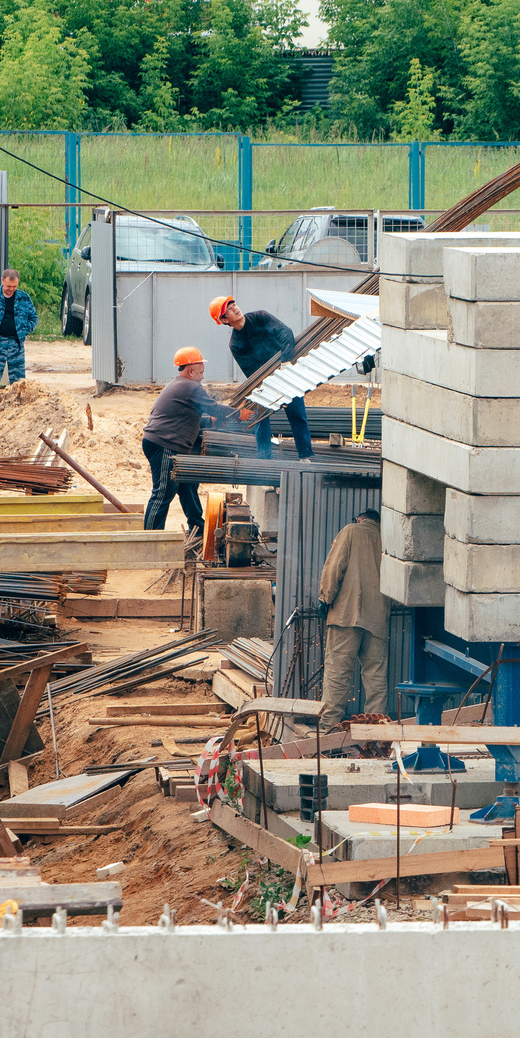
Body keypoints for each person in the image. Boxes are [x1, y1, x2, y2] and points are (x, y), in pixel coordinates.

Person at [210, 293, 314, 461]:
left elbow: (286, 333)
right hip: (265, 381)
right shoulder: (236, 344)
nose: (235, 308)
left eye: (233, 304)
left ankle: (305, 455)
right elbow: (252, 371)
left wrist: (286, 361)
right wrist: (270, 382)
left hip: (286, 371)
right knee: (260, 416)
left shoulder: (260, 317)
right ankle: (264, 459)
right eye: (228, 309)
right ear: (224, 320)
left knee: (297, 413)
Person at [315, 509, 390, 729]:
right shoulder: (386, 540)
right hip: (377, 618)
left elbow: (334, 566)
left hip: (346, 615)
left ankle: (328, 727)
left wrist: (325, 598)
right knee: (376, 678)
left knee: (338, 673)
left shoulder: (351, 531)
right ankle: (376, 731)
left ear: (359, 519)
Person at [141, 346, 227, 534]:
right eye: (201, 372)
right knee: (163, 492)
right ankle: (149, 540)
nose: (203, 376)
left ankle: (197, 527)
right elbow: (216, 409)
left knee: (188, 485)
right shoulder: (190, 386)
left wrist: (209, 422)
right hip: (164, 445)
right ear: (190, 370)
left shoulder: (181, 385)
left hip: (169, 443)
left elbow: (186, 417)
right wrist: (239, 414)